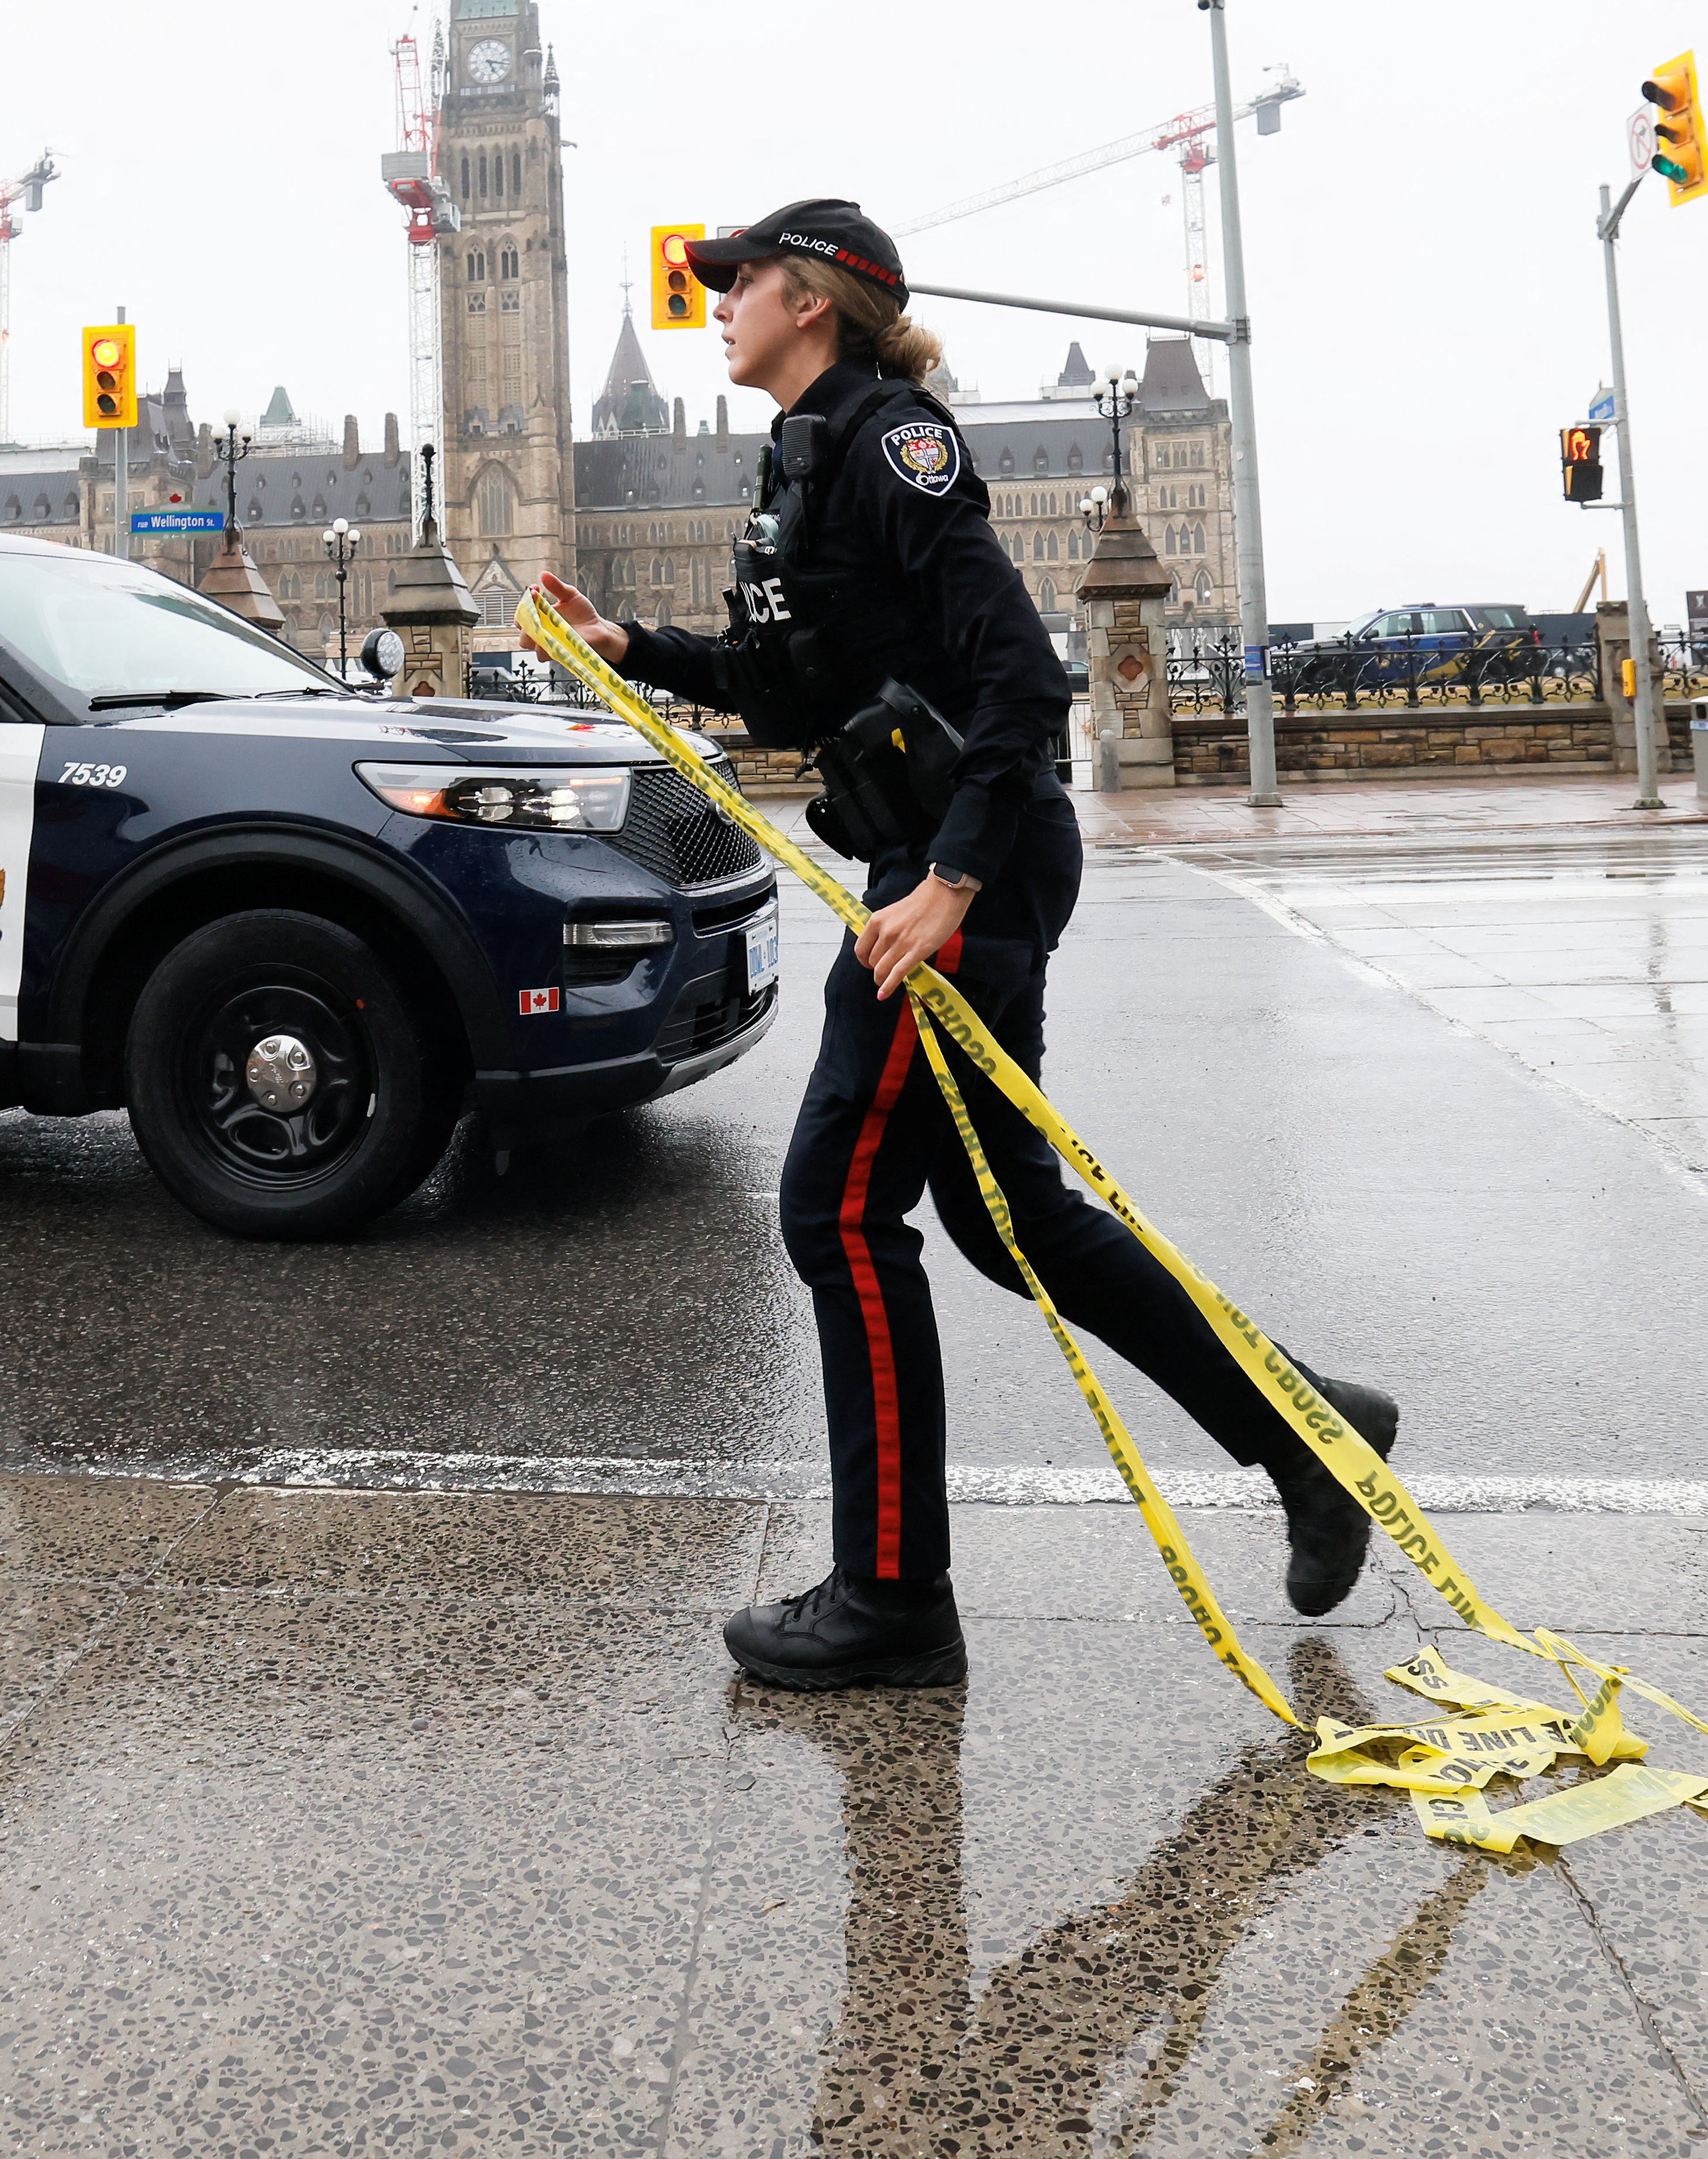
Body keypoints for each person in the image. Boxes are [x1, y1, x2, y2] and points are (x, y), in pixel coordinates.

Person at [531, 199, 1397, 1691]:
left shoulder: (891, 442)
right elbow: (789, 683)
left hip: (960, 864)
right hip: (926, 854)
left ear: (809, 299)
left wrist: (949, 881)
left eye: (738, 280)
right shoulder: (797, 462)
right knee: (1010, 1221)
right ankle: (1313, 1433)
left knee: (838, 1215)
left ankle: (890, 1597)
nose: (718, 299)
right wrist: (639, 651)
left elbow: (1019, 676)